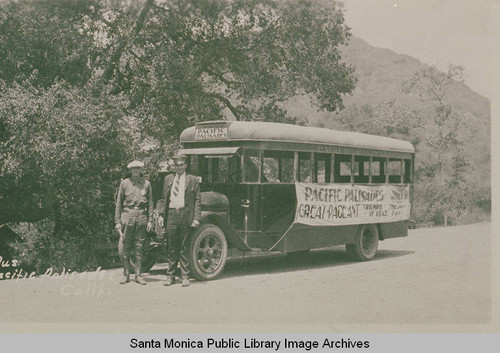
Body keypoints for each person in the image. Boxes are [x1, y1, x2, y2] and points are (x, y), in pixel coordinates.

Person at [157, 154, 200, 287]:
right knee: (172, 247)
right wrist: (160, 215)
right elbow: (164, 198)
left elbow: (197, 200)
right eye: (177, 165)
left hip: (185, 215)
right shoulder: (168, 179)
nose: (179, 167)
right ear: (174, 167)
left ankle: (185, 276)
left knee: (184, 246)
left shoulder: (192, 180)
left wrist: (196, 218)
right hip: (171, 214)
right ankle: (170, 276)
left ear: (185, 165)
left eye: (181, 165)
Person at [114, 160, 153, 285]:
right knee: (126, 246)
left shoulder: (146, 184)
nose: (136, 171)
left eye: (138, 169)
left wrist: (150, 220)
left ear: (141, 170)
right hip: (127, 216)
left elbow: (151, 203)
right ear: (130, 171)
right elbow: (119, 203)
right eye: (133, 169)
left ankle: (138, 275)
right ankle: (126, 274)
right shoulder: (124, 184)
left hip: (141, 217)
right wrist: (117, 221)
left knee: (139, 247)